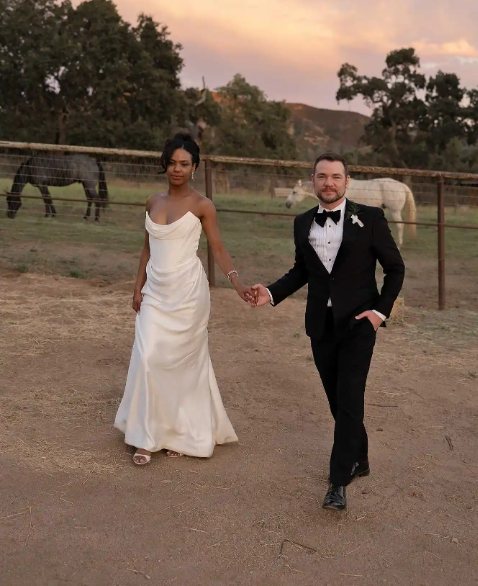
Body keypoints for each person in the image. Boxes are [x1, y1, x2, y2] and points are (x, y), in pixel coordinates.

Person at [252, 152, 405, 510]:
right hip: (320, 327)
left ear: (347, 181)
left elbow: (395, 269)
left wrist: (380, 312)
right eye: (322, 176)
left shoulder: (370, 218)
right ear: (313, 181)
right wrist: (272, 293)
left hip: (358, 326)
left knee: (350, 401)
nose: (329, 183)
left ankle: (338, 483)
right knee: (339, 403)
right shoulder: (302, 222)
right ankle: (360, 458)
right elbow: (301, 271)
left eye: (336, 176)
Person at [115, 133, 253, 465]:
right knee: (148, 358)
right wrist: (138, 286)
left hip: (188, 294)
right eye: (173, 163)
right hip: (155, 292)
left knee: (183, 365)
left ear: (194, 168)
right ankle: (146, 437)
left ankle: (181, 432)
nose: (177, 169)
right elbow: (148, 247)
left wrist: (237, 284)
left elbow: (217, 248)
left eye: (185, 164)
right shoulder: (152, 201)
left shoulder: (202, 205)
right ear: (165, 164)